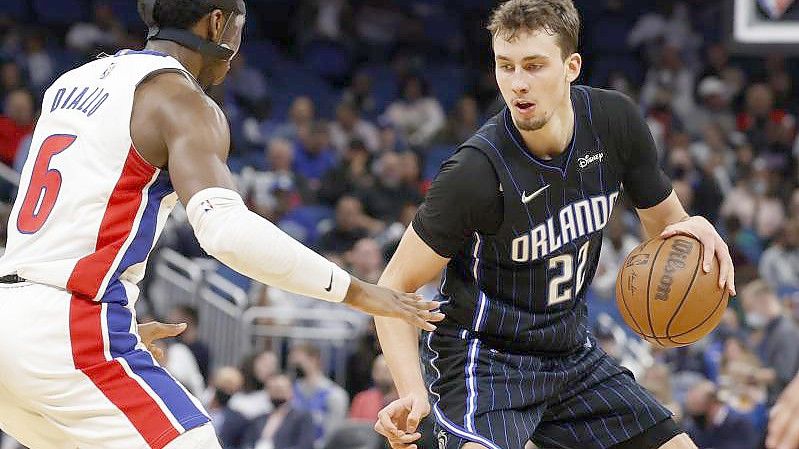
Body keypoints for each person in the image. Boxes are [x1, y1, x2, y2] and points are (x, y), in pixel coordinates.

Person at [0, 0, 443, 447]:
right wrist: (360, 292)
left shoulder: (68, 83)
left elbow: (69, 228)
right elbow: (226, 233)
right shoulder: (182, 101)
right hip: (70, 332)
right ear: (218, 23)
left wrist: (122, 327)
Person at [372, 2, 735, 449]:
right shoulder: (474, 173)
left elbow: (665, 228)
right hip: (487, 361)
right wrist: (411, 391)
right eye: (505, 67)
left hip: (570, 353)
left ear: (571, 66)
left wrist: (692, 228)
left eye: (534, 66)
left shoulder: (614, 122)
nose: (518, 83)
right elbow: (394, 283)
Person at [242, 374, 316, 449]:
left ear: (290, 392)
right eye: (272, 389)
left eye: (279, 389)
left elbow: (305, 445)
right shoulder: (259, 419)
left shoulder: (302, 417)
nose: (276, 393)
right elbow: (247, 443)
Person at [682, 380, 758, 449]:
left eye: (697, 405)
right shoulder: (694, 426)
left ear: (712, 403)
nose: (695, 413)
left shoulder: (741, 423)